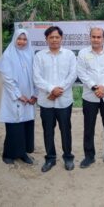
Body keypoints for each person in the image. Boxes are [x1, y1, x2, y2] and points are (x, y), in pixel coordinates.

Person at [33, 26, 77, 172]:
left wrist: (58, 90)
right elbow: (36, 78)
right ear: (46, 39)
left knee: (66, 130)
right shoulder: (39, 56)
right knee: (48, 131)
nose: (54, 40)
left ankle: (68, 157)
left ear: (61, 38)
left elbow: (72, 75)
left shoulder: (69, 55)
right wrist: (51, 89)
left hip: (64, 101)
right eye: (51, 37)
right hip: (46, 101)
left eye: (57, 37)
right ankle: (50, 158)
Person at [77, 27, 104, 168]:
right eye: (93, 36)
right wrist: (95, 87)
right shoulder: (83, 53)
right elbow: (82, 73)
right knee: (88, 128)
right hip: (90, 97)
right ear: (90, 37)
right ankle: (89, 156)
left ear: (103, 38)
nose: (96, 39)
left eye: (99, 37)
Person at [0, 29, 37, 165]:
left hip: (28, 99)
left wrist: (34, 95)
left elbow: (35, 75)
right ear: (14, 39)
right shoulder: (8, 55)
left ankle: (23, 153)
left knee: (25, 126)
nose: (22, 42)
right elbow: (7, 78)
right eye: (19, 39)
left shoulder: (30, 53)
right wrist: (19, 95)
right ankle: (8, 154)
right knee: (14, 126)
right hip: (14, 98)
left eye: (24, 39)